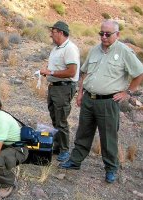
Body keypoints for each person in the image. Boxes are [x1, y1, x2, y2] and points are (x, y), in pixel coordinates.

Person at [60, 20, 143, 183]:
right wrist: (80, 93)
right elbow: (84, 72)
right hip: (88, 100)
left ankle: (111, 168)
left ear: (117, 34)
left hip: (108, 102)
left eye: (108, 34)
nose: (104, 37)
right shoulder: (94, 50)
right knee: (83, 132)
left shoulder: (124, 51)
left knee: (108, 137)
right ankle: (75, 161)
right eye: (101, 34)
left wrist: (128, 92)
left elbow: (140, 73)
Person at [39, 21, 80, 162]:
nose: (51, 34)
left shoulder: (70, 48)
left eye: (53, 32)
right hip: (55, 87)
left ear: (61, 33)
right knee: (55, 117)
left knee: (61, 119)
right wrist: (48, 73)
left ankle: (64, 150)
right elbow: (57, 68)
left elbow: (71, 71)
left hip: (64, 88)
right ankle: (57, 145)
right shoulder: (57, 48)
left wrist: (50, 72)